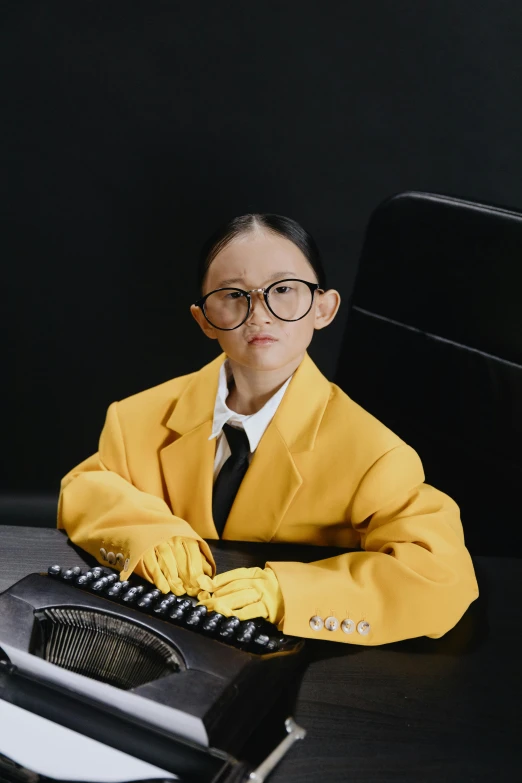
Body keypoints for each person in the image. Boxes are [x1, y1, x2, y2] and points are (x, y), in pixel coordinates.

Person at [58, 213, 479, 645]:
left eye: (282, 290)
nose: (259, 314)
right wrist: (144, 534)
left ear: (323, 308)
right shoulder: (137, 417)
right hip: (156, 635)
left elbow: (442, 574)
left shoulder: (375, 455)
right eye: (233, 295)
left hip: (289, 658)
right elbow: (87, 485)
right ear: (203, 318)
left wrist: (287, 594)